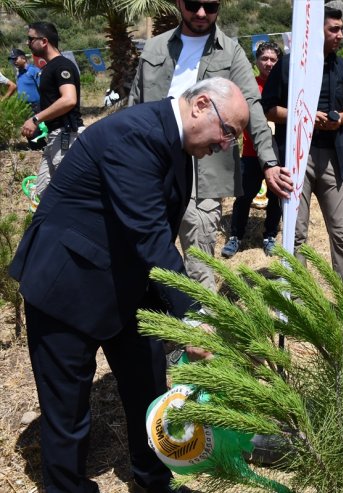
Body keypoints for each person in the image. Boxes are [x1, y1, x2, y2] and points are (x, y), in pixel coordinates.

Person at [10, 77, 250, 493]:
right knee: (67, 410)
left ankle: (154, 480)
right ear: (201, 106)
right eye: (227, 131)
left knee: (148, 385)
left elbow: (150, 233)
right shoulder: (135, 134)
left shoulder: (173, 139)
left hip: (126, 281)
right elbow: (150, 234)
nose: (226, 144)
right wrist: (195, 317)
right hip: (67, 283)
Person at [129, 0, 291, 291]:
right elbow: (134, 105)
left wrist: (269, 162)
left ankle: (200, 319)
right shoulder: (154, 49)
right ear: (180, 3)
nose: (201, 13)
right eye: (193, 4)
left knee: (200, 250)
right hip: (152, 163)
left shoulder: (231, 52)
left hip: (205, 167)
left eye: (211, 5)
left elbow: (253, 106)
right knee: (145, 244)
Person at [262, 6, 343, 335]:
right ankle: (295, 304)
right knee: (296, 235)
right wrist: (304, 115)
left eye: (340, 30)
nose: (340, 35)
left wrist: (339, 119)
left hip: (336, 158)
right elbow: (269, 108)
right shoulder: (289, 66)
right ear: (315, 30)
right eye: (334, 29)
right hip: (297, 159)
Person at [222, 41, 284, 258]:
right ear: (256, 61)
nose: (268, 63)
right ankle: (235, 237)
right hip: (250, 152)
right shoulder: (248, 86)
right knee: (244, 196)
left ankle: (269, 236)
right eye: (264, 59)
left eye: (273, 59)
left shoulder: (284, 86)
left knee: (276, 196)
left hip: (277, 154)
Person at [20, 22, 84, 199]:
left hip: (66, 134)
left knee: (69, 192)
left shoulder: (61, 65)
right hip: (55, 136)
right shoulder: (48, 68)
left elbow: (69, 99)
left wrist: (35, 119)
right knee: (43, 192)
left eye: (31, 38)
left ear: (44, 41)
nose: (27, 43)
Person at [9, 48, 41, 113]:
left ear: (23, 58)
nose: (14, 62)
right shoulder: (18, 73)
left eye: (15, 59)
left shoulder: (33, 70)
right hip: (24, 107)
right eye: (12, 60)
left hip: (37, 107)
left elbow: (43, 88)